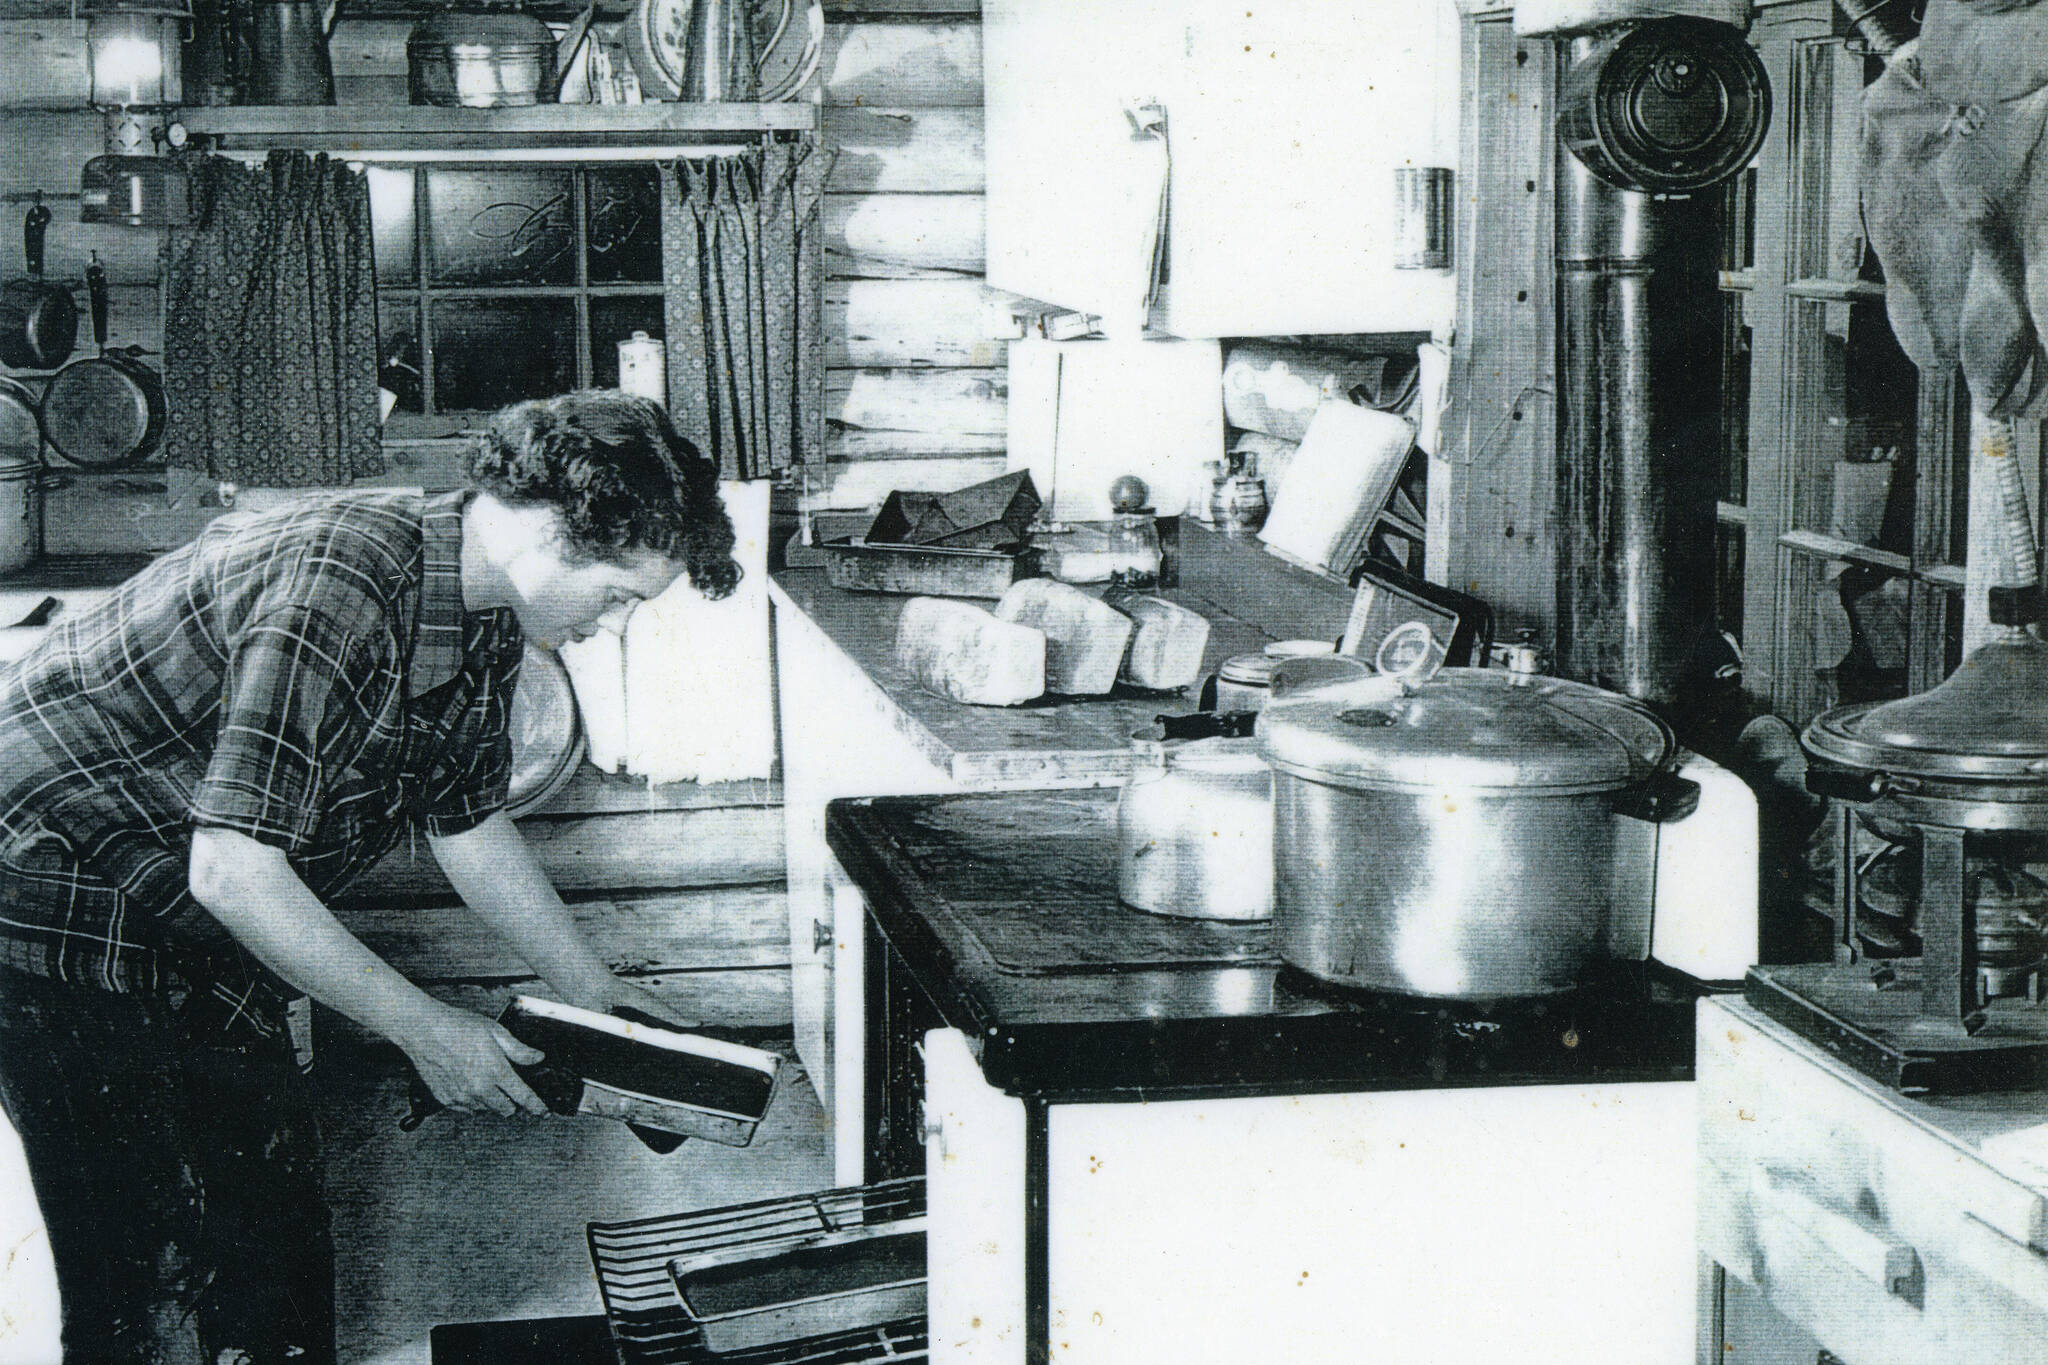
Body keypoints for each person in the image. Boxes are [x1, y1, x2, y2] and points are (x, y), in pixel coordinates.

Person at [0, 389, 739, 1364]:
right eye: (615, 596)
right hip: (48, 893)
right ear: (550, 534)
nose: (609, 625)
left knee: (273, 1231)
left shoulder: (483, 615)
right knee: (154, 1264)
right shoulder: (347, 579)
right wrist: (427, 1030)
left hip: (182, 897)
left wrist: (589, 987)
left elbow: (465, 820)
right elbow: (233, 868)